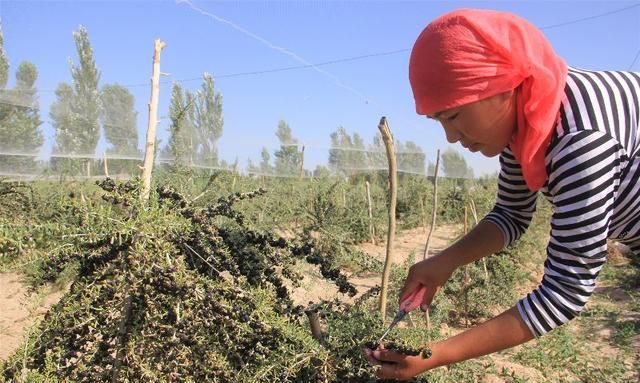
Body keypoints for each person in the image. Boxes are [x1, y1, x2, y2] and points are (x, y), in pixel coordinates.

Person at [364, 7, 640, 381]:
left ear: (504, 85)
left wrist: (434, 355)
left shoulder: (580, 140)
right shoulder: (529, 117)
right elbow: (512, 214)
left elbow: (565, 291)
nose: (451, 138)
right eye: (438, 120)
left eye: (454, 116)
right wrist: (443, 262)